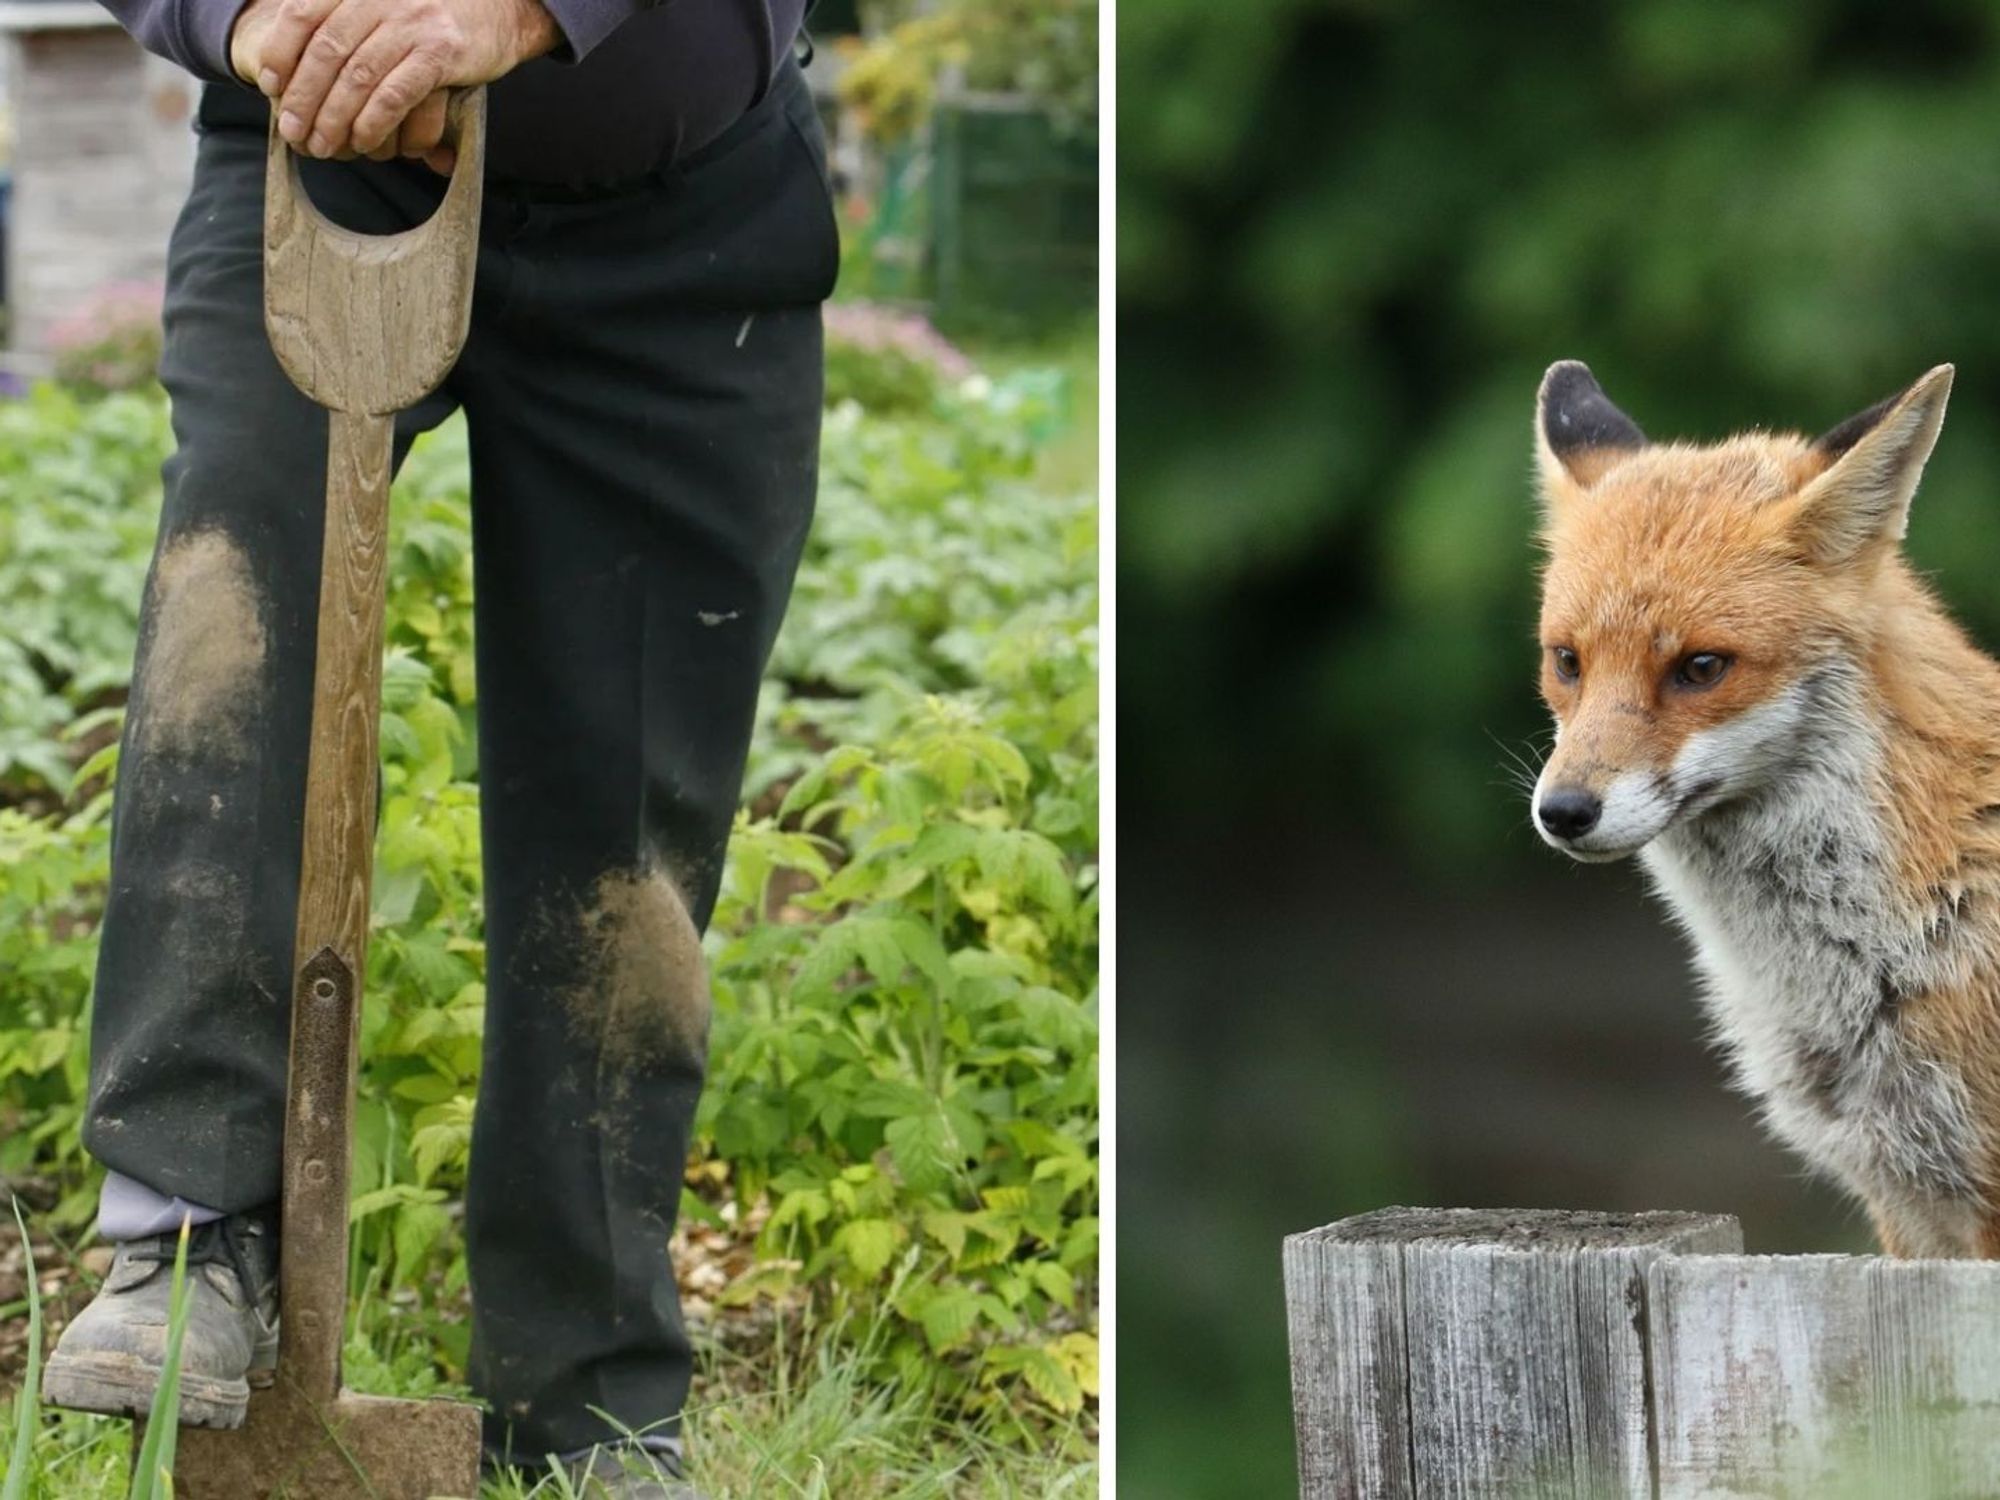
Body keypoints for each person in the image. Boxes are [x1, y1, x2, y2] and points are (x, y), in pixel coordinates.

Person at [40, 2, 833, 1495]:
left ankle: (586, 1399)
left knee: (629, 804)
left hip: (682, 220)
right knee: (235, 624)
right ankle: (185, 1245)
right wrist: (248, 19)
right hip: (317, 160)